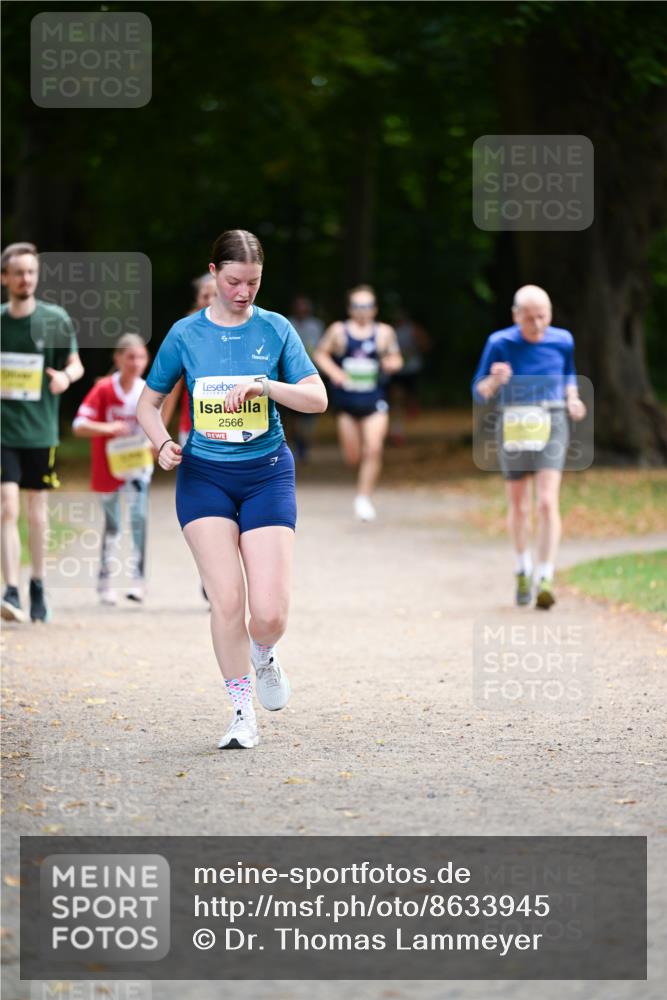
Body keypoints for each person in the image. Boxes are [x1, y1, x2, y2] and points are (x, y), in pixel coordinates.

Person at [137, 229, 327, 750]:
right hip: (204, 478)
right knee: (226, 601)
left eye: (254, 282)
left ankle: (264, 652)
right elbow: (147, 405)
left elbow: (317, 399)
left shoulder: (276, 328)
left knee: (268, 613)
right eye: (236, 281)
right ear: (215, 273)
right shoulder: (184, 334)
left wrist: (267, 387)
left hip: (266, 473)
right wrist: (161, 444)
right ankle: (242, 712)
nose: (244, 292)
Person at [472, 284, 587, 609]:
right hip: (515, 422)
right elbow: (479, 392)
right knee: (520, 504)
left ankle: (546, 576)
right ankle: (522, 567)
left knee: (547, 502)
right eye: (529, 318)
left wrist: (573, 398)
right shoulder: (500, 343)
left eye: (543, 317)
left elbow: (568, 374)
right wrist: (495, 381)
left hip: (552, 420)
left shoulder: (562, 339)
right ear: (515, 316)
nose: (537, 325)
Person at [1, 242, 84, 623]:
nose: (25, 278)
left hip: (40, 432)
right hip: (4, 430)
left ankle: (37, 584)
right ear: (5, 278)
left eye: (31, 272)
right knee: (7, 507)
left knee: (36, 511)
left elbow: (76, 364)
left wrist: (65, 378)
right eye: (18, 272)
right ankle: (11, 590)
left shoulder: (54, 319)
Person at [72, 334, 153, 605]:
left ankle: (138, 582)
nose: (136, 363)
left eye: (141, 357)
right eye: (130, 356)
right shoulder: (105, 389)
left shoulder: (148, 389)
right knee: (113, 524)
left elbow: (156, 426)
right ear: (117, 358)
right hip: (109, 467)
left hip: (138, 466)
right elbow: (78, 425)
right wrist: (107, 428)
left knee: (139, 520)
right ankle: (105, 581)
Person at [313, 284, 403, 521]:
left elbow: (396, 358)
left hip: (375, 400)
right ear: (349, 308)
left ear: (375, 309)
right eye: (357, 306)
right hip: (347, 402)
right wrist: (335, 373)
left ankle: (363, 498)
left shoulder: (384, 332)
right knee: (353, 456)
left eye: (367, 306)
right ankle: (361, 481)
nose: (362, 311)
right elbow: (320, 353)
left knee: (373, 448)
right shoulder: (339, 331)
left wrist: (392, 364)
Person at [161, 273, 218, 446]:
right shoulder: (185, 335)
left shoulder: (247, 331)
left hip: (238, 428)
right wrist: (160, 433)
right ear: (197, 299)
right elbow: (173, 387)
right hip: (194, 431)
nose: (209, 301)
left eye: (216, 295)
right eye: (205, 296)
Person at [287, 295, 325, 461]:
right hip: (289, 375)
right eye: (299, 307)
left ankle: (304, 444)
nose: (302, 310)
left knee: (309, 415)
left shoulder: (316, 325)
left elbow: (322, 347)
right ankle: (297, 443)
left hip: (312, 372)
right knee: (292, 415)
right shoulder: (287, 323)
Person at [389, 308, 432, 445]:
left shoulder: (413, 329)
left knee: (409, 396)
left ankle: (411, 407)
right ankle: (397, 431)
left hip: (412, 369)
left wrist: (417, 345)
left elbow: (426, 345)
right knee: (397, 397)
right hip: (397, 370)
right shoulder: (390, 331)